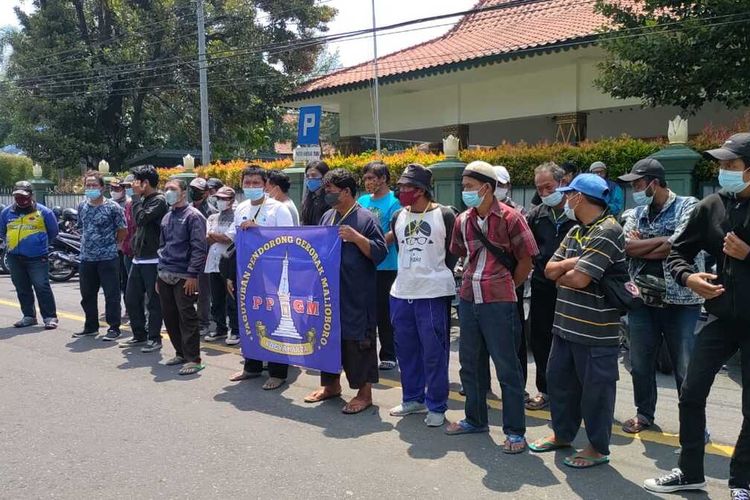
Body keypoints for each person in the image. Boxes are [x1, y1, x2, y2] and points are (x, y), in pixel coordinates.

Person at [645, 133, 750, 498]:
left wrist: (748, 254)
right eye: (721, 165)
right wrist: (689, 277)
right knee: (690, 392)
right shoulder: (712, 206)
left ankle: (742, 482)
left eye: (732, 166)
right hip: (721, 319)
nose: (724, 172)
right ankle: (690, 472)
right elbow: (677, 254)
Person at [529, 173, 625, 469]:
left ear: (580, 197)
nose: (565, 198)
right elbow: (549, 270)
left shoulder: (608, 230)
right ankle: (562, 434)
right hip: (565, 325)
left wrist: (567, 270)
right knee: (560, 383)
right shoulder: (575, 231)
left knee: (597, 392)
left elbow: (579, 280)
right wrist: (572, 263)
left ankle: (598, 447)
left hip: (596, 332)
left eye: (569, 194)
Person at [445, 161, 538, 456]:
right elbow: (459, 252)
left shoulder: (512, 218)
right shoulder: (463, 220)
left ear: (487, 187)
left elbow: (527, 259)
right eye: (464, 187)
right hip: (470, 297)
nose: (465, 192)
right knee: (469, 364)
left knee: (507, 368)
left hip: (499, 301)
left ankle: (514, 431)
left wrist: (508, 285)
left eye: (470, 187)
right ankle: (475, 419)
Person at [617, 158, 703, 434]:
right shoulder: (635, 213)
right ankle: (644, 414)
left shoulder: (688, 206)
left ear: (654, 182)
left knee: (685, 367)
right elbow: (626, 246)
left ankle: (693, 425)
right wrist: (662, 242)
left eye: (639, 184)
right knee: (640, 364)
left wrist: (653, 244)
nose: (636, 189)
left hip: (681, 301)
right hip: (642, 300)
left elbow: (679, 243)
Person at [303, 168, 387, 414]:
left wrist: (356, 237)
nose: (326, 195)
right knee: (328, 339)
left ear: (347, 192)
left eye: (331, 191)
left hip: (356, 294)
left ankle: (364, 394)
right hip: (329, 292)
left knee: (358, 342)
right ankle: (331, 386)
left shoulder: (365, 218)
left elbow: (379, 253)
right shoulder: (327, 216)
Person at [388, 164, 457, 427]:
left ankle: (436, 404)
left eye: (408, 187)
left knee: (434, 351)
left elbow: (452, 253)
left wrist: (435, 275)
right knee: (406, 350)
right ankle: (413, 398)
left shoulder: (445, 215)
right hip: (401, 290)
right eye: (401, 186)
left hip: (432, 293)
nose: (402, 191)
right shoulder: (398, 216)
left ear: (422, 190)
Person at [228, 166, 294, 389]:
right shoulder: (242, 208)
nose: (252, 187)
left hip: (273, 273)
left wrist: (260, 230)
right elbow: (236, 242)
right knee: (250, 316)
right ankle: (252, 366)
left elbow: (289, 240)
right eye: (248, 183)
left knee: (275, 318)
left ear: (266, 185)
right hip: (247, 273)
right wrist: (231, 275)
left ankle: (278, 372)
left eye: (257, 183)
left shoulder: (278, 209)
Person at [524, 162, 576, 410]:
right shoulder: (536, 215)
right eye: (539, 189)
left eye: (549, 187)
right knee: (541, 337)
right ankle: (545, 389)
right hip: (543, 285)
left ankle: (574, 392)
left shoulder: (578, 212)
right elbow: (526, 249)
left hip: (574, 286)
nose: (544, 193)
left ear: (563, 183)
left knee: (572, 341)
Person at [157, 178, 208, 376]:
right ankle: (180, 353)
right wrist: (159, 274)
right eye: (167, 188)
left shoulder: (194, 217)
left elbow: (198, 248)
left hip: (184, 275)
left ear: (183, 193)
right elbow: (162, 247)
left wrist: (192, 275)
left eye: (173, 189)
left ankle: (193, 359)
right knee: (169, 316)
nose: (169, 192)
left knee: (187, 317)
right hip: (165, 273)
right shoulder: (167, 216)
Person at [73, 170, 127, 341]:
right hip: (87, 258)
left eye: (94, 185)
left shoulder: (113, 207)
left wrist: (111, 245)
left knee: (112, 294)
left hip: (108, 257)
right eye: (88, 185)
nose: (90, 188)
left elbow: (122, 230)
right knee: (87, 294)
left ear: (102, 187)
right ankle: (90, 327)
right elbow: (81, 227)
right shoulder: (82, 206)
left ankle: (113, 328)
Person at [358, 161, 401, 370]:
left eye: (371, 178)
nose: (368, 183)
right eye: (365, 179)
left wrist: (376, 245)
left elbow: (397, 229)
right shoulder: (363, 200)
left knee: (384, 312)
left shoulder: (394, 201)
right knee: (366, 312)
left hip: (387, 264)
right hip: (365, 264)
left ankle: (389, 354)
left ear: (383, 178)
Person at [120, 165, 168, 353]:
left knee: (153, 301)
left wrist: (137, 198)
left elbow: (141, 219)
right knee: (132, 298)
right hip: (138, 258)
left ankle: (154, 338)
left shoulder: (159, 201)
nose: (132, 185)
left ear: (145, 183)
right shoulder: (142, 200)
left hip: (153, 259)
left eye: (136, 181)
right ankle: (139, 334)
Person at [0, 181, 59, 329]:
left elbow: (53, 232)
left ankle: (50, 317)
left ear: (31, 195)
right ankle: (28, 316)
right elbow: (2, 231)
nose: (21, 199)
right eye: (17, 196)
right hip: (14, 257)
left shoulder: (44, 212)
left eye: (24, 196)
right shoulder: (7, 213)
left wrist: (38, 244)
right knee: (21, 287)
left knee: (42, 286)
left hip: (37, 258)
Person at [494, 164, 530, 397]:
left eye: (501, 185)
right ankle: (480, 386)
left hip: (510, 286)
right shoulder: (471, 214)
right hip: (482, 289)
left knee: (514, 340)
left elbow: (526, 257)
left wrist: (513, 285)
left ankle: (519, 388)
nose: (497, 189)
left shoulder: (519, 213)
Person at [203, 186, 238, 344]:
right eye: (218, 198)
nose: (220, 202)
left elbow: (228, 238)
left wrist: (214, 235)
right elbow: (208, 237)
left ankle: (235, 330)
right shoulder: (212, 218)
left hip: (229, 262)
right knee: (216, 298)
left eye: (224, 199)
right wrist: (217, 236)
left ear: (231, 200)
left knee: (231, 298)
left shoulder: (237, 217)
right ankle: (220, 328)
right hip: (213, 261)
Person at [189, 177, 217, 337]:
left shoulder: (212, 212)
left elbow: (213, 237)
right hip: (189, 255)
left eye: (198, 191)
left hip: (205, 256)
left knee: (204, 292)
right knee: (187, 290)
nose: (194, 193)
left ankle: (203, 323)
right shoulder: (187, 208)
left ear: (206, 193)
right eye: (192, 190)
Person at [110, 177, 131, 320]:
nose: (114, 192)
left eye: (117, 189)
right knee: (113, 282)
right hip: (111, 249)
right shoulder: (108, 204)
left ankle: (129, 309)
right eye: (112, 189)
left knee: (126, 281)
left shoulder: (129, 203)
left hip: (124, 247)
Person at [300, 160, 330, 225]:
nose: (310, 179)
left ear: (324, 177)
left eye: (314, 175)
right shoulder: (307, 200)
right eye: (308, 176)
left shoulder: (331, 201)